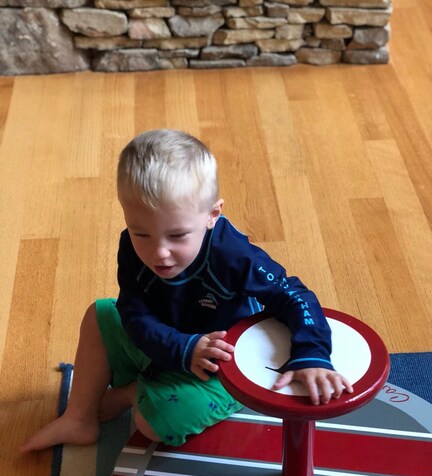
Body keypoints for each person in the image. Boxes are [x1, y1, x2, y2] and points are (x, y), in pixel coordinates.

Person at [20, 129, 353, 453]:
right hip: (170, 342)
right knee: (99, 314)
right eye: (142, 234)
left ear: (212, 215)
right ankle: (79, 419)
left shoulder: (234, 256)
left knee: (153, 423)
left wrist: (313, 354)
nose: (158, 253)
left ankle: (130, 393)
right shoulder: (130, 246)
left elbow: (294, 296)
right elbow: (133, 314)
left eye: (177, 236)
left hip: (220, 366)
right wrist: (182, 347)